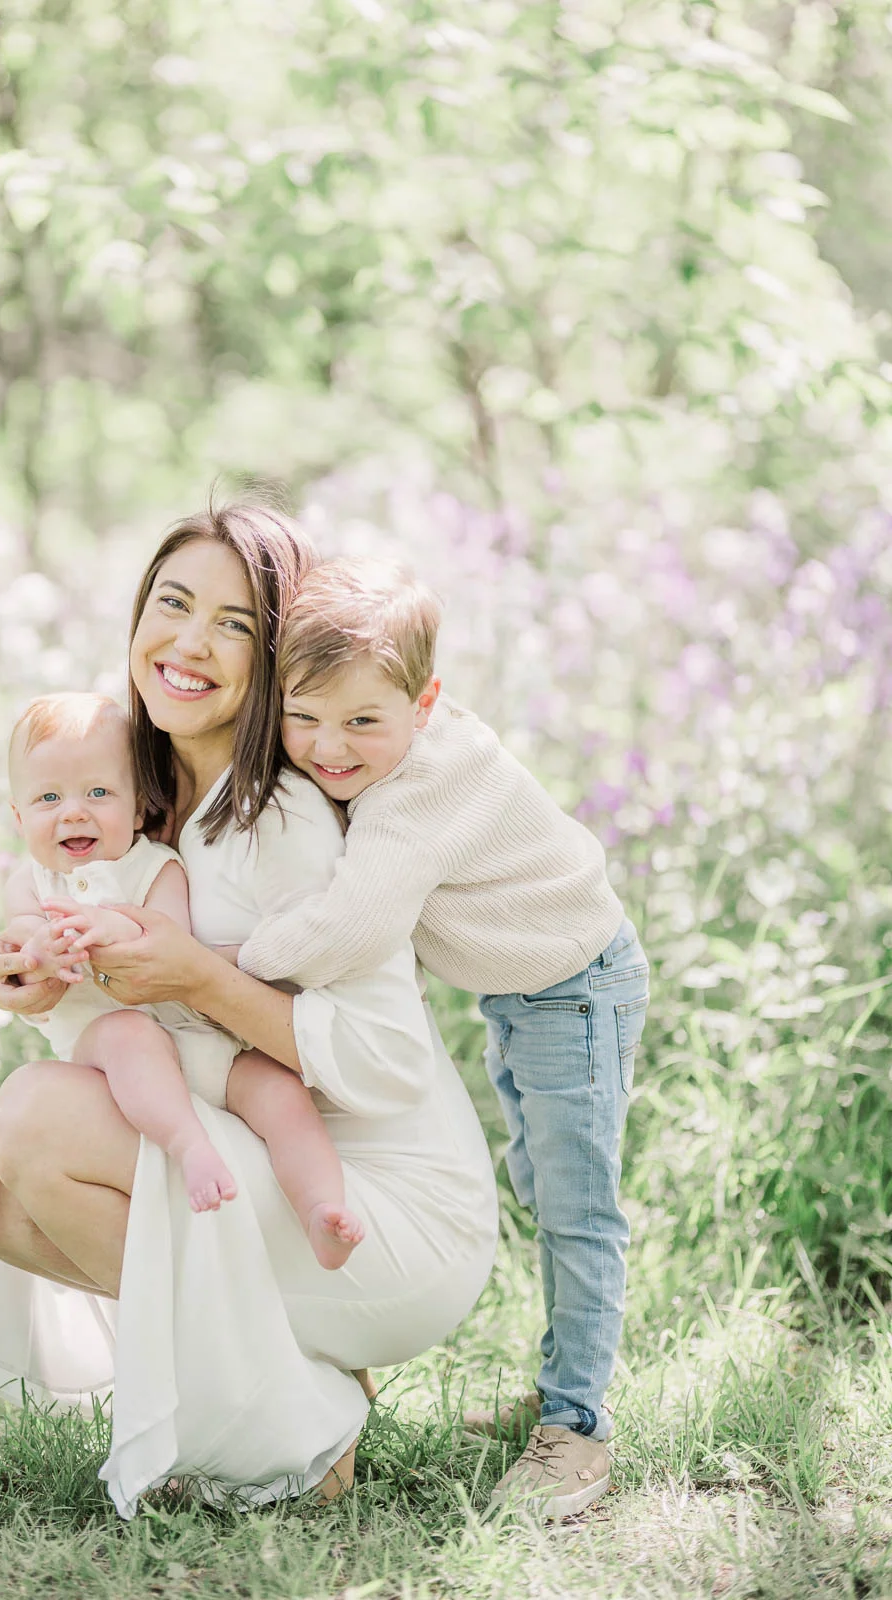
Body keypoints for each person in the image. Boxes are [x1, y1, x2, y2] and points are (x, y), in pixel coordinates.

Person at [0, 501, 499, 1517]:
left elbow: (386, 1058)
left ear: (272, 658)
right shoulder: (124, 788)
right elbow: (92, 962)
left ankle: (293, 1428)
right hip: (257, 1155)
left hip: (375, 1203)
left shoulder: (284, 818)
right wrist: (32, 976)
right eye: (173, 603)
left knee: (38, 1118)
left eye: (232, 623)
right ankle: (302, 1388)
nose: (190, 641)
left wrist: (193, 975)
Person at [236, 557, 650, 1520]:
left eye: (362, 723)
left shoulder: (421, 790)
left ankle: (578, 1428)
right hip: (526, 994)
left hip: (576, 988)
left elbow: (350, 930)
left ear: (424, 702)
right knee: (539, 1185)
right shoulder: (403, 750)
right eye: (303, 718)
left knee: (577, 1205)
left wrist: (230, 964)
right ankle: (561, 1384)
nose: (328, 748)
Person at [2, 688, 366, 1262]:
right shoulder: (31, 883)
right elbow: (21, 944)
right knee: (131, 1034)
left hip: (199, 1044)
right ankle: (188, 1146)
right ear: (19, 817)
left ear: (140, 806)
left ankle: (323, 1209)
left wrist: (108, 927)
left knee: (280, 1092)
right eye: (48, 798)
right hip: (109, 1058)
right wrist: (39, 955)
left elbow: (165, 939)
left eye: (99, 793)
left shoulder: (155, 865)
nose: (74, 812)